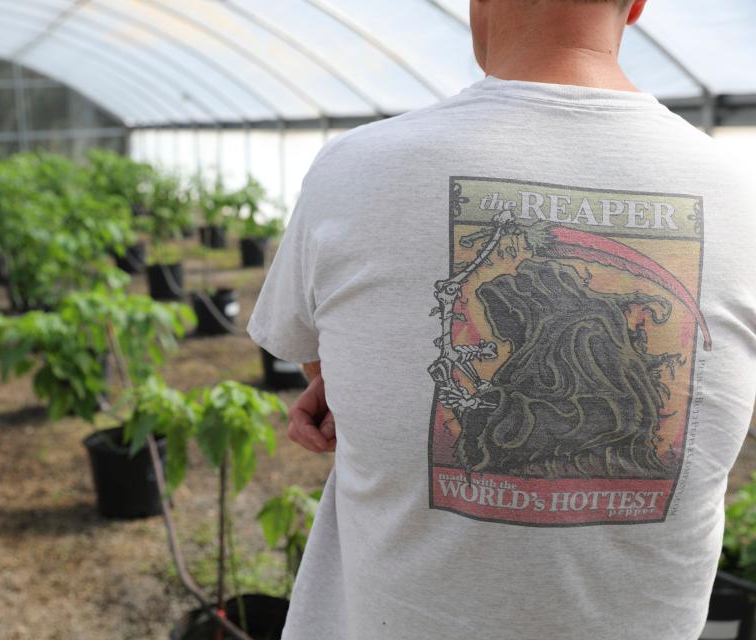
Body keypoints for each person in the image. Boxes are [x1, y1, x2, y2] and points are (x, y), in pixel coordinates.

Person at [247, 0, 756, 638]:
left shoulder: (356, 169)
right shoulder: (740, 195)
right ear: (638, 4)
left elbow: (317, 358)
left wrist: (362, 376)